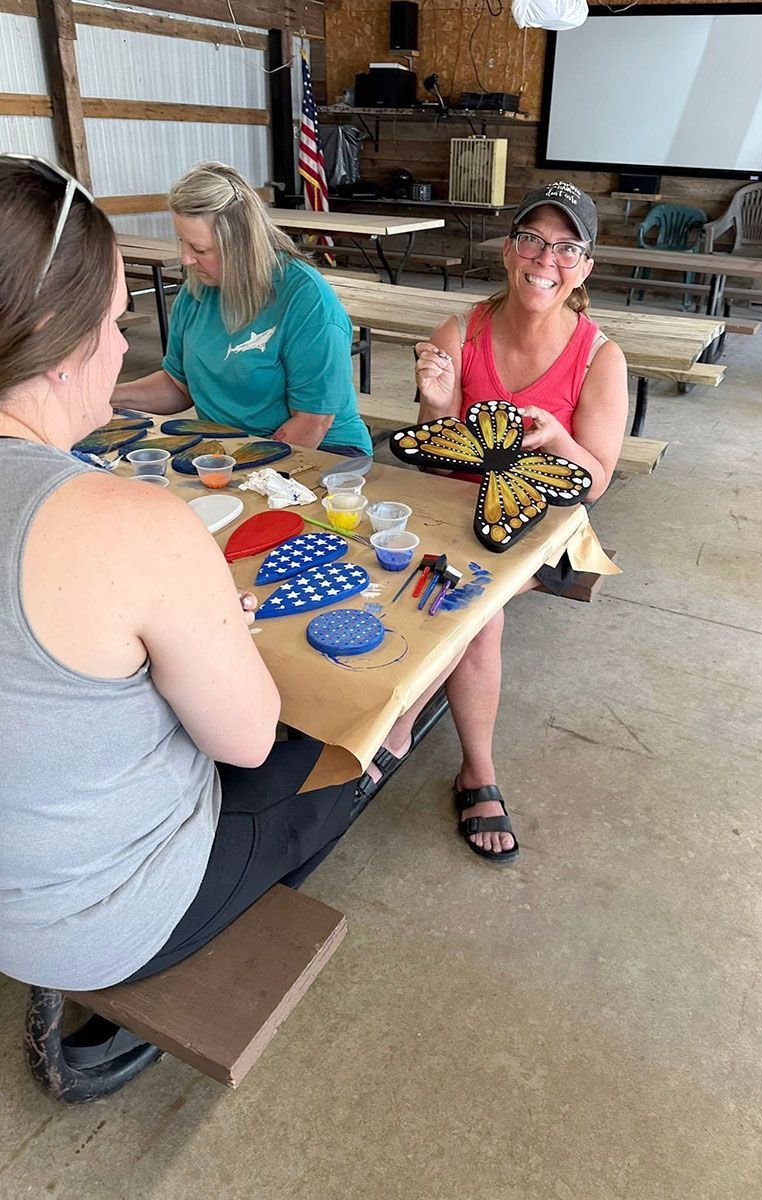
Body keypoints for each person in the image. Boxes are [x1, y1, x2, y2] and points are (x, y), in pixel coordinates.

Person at [0, 155, 364, 1024]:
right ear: (56, 337)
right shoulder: (130, 525)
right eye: (118, 321)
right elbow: (241, 742)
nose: (128, 343)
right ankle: (226, 930)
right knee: (345, 755)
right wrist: (201, 632)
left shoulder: (300, 297)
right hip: (86, 923)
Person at [363, 182, 629, 865]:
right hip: (454, 510)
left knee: (477, 606)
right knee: (404, 571)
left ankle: (428, 743)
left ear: (586, 267)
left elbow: (594, 481)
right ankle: (433, 749)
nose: (547, 259)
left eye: (567, 247)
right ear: (510, 251)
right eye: (534, 240)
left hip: (548, 526)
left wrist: (560, 440)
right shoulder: (461, 332)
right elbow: (431, 452)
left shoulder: (600, 357)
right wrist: (437, 403)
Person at [114, 161, 372, 458]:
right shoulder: (197, 290)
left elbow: (313, 421)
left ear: (241, 245)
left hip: (325, 451)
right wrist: (109, 396)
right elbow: (178, 384)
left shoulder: (305, 299)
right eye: (181, 241)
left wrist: (241, 472)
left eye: (199, 249)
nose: (185, 259)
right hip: (229, 446)